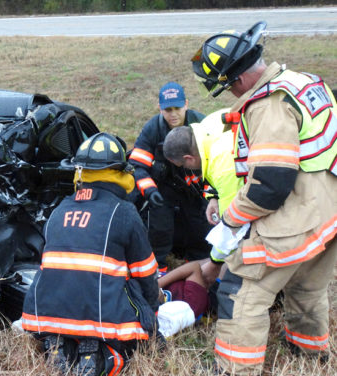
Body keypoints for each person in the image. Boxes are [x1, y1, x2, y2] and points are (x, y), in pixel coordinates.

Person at [192, 21, 337, 375]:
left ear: (237, 80)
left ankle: (234, 369)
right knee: (306, 283)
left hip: (296, 215)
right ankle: (309, 352)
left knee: (240, 290)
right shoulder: (302, 81)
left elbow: (270, 184)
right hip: (327, 207)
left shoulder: (269, 104)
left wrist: (231, 222)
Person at [21, 133, 160, 376]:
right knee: (130, 344)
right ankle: (103, 357)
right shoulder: (124, 211)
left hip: (45, 313)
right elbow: (145, 272)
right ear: (120, 173)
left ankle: (60, 344)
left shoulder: (59, 209)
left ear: (80, 173)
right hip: (99, 313)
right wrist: (151, 315)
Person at [128, 81, 212, 273]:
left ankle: (200, 268)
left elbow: (215, 163)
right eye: (167, 109)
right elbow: (137, 166)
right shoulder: (152, 129)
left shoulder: (202, 124)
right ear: (159, 108)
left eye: (177, 108)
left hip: (196, 188)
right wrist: (150, 192)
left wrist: (210, 194)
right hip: (163, 189)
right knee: (159, 228)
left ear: (187, 104)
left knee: (200, 228)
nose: (173, 114)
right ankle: (160, 271)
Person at [163, 109, 245, 269]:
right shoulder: (209, 123)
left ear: (189, 158)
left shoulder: (223, 169)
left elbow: (233, 225)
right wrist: (213, 196)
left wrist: (214, 261)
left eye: (184, 166)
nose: (188, 169)